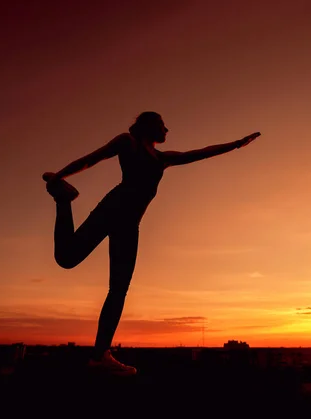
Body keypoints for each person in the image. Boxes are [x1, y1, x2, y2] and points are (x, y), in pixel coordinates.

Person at [42, 111, 261, 375]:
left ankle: (100, 355)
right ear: (148, 126)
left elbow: (199, 153)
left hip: (130, 225)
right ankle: (63, 199)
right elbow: (93, 159)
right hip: (113, 208)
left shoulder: (162, 159)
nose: (167, 129)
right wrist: (59, 177)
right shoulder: (128, 143)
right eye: (162, 124)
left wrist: (236, 144)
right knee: (67, 259)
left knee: (118, 290)